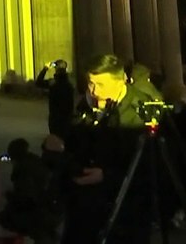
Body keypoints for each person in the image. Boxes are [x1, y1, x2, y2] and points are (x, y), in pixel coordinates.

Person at [60, 53, 153, 244]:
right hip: (85, 206)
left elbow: (152, 168)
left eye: (101, 85)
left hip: (125, 211)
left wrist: (107, 176)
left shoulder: (143, 111)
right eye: (90, 83)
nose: (94, 91)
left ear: (122, 81)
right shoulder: (87, 104)